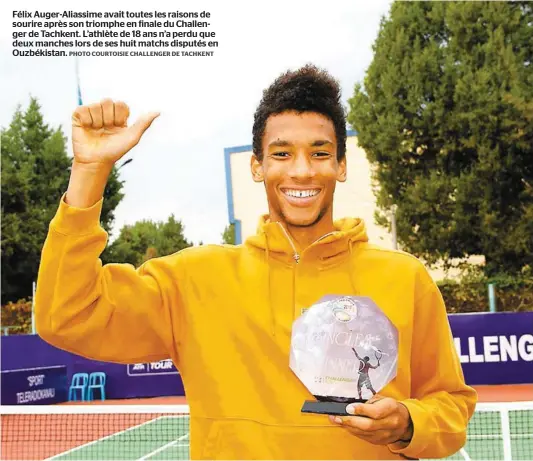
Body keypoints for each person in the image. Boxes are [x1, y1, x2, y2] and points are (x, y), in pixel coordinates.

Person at [35, 64, 477, 460]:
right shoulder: (195, 279)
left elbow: (450, 404)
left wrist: (407, 423)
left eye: (320, 153)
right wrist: (89, 173)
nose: (301, 171)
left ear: (341, 165)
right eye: (282, 154)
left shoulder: (404, 277)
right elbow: (67, 315)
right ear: (257, 166)